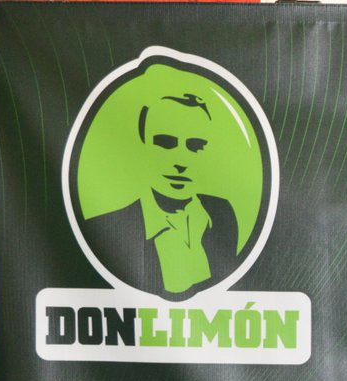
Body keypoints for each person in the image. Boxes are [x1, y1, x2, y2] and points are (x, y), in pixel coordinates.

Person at [82, 88, 240, 300]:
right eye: (166, 143)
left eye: (196, 146)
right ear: (142, 148)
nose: (181, 161)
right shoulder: (105, 229)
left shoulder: (223, 213)